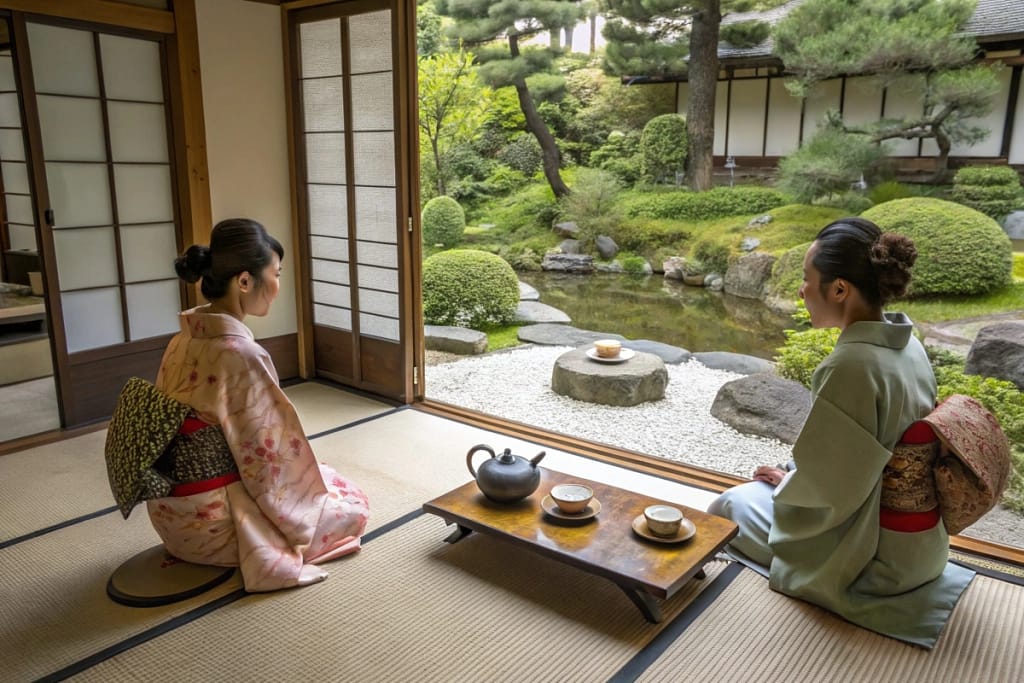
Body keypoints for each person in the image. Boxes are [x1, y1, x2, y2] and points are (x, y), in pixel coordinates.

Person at [707, 217, 974, 649]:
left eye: (806, 279)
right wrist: (797, 477)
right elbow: (852, 463)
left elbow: (831, 490)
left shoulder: (852, 364)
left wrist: (793, 482)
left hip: (876, 560)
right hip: (922, 549)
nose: (801, 291)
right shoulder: (908, 343)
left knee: (731, 504)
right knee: (764, 492)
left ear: (839, 290)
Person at [138, 218, 369, 592]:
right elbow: (267, 460)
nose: (278, 286)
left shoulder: (182, 339)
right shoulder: (239, 354)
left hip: (170, 518)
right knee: (352, 504)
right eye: (275, 274)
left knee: (322, 477)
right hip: (214, 527)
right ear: (244, 281)